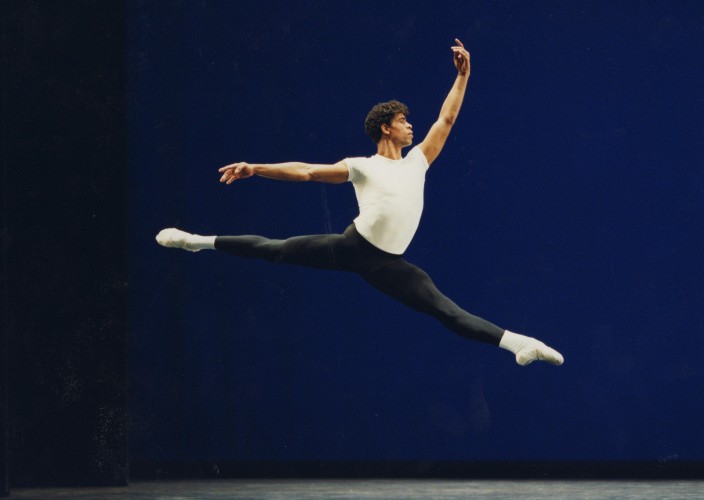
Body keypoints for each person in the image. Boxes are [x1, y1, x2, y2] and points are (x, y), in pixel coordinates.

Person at [156, 39, 563, 367]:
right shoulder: (362, 166)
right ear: (387, 127)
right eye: (405, 121)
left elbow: (447, 120)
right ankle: (195, 241)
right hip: (353, 248)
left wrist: (463, 76)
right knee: (273, 249)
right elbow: (309, 172)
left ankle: (520, 344)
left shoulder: (419, 160)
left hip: (391, 264)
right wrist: (256, 167)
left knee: (447, 312)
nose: (412, 126)